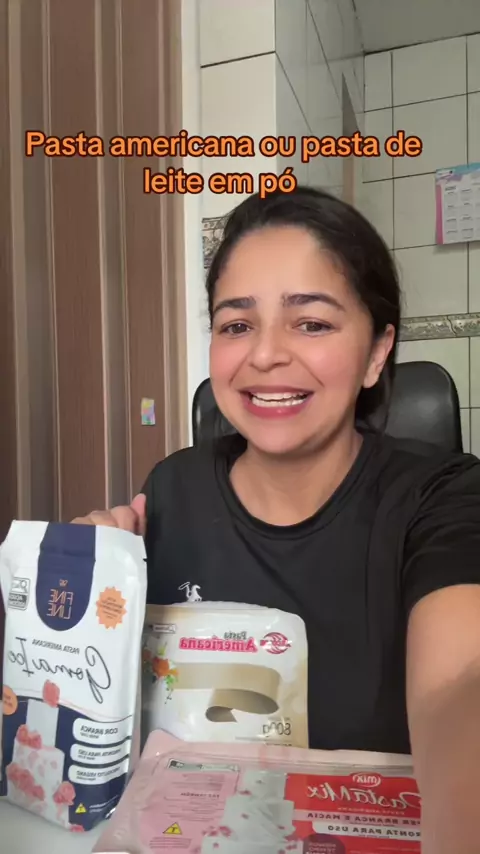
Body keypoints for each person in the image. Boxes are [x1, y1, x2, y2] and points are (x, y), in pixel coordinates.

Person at [74, 186, 480, 852]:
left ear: (377, 352)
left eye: (311, 323)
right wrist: (91, 592)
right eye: (237, 325)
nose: (264, 355)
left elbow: (460, 687)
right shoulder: (172, 490)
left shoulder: (445, 498)